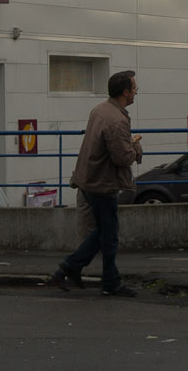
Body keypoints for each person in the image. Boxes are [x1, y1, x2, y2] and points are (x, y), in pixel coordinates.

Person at [51, 70, 145, 297]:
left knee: (104, 233)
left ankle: (74, 269)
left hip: (88, 178)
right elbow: (122, 157)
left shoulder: (100, 110)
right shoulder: (116, 120)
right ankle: (99, 279)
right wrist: (136, 147)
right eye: (134, 89)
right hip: (102, 182)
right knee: (109, 236)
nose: (135, 93)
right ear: (125, 92)